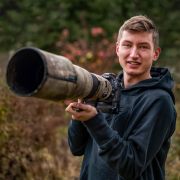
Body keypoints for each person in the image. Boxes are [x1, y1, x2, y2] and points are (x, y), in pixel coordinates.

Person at [65, 15, 177, 180]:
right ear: (117, 49)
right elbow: (77, 147)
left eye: (143, 47)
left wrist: (94, 121)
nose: (133, 54)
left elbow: (131, 166)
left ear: (155, 54)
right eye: (127, 45)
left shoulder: (159, 101)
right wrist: (78, 117)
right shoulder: (104, 89)